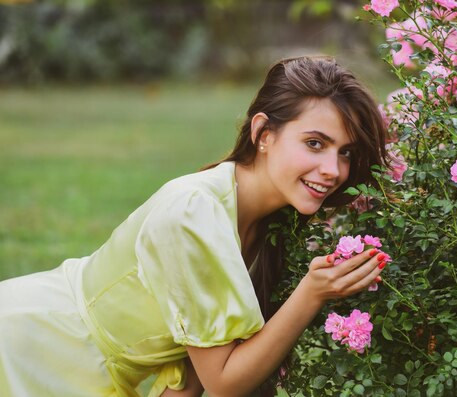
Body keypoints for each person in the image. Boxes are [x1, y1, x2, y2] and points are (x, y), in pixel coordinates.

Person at [0, 56, 389, 397]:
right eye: (315, 144)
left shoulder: (269, 220)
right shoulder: (194, 214)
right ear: (264, 134)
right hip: (33, 349)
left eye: (346, 153)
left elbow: (194, 369)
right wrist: (312, 294)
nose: (333, 170)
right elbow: (223, 381)